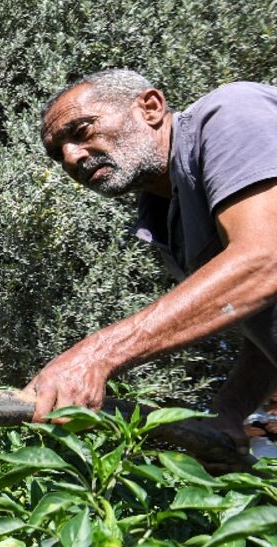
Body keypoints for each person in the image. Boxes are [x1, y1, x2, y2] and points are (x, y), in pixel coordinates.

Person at [30, 69, 277, 452]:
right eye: (57, 152)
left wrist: (97, 355)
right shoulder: (162, 217)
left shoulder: (231, 114)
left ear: (150, 107)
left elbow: (266, 260)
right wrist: (229, 411)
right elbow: (260, 313)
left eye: (81, 131)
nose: (71, 157)